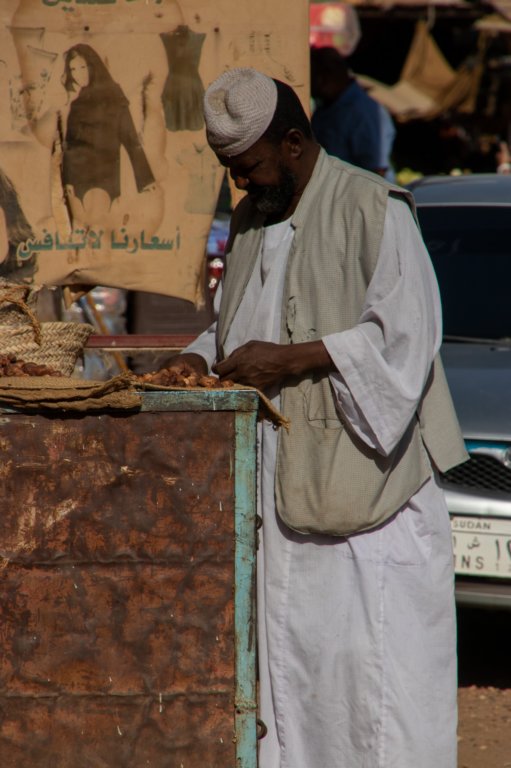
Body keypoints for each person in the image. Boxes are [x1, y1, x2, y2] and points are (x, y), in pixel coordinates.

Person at [166, 68, 467, 767]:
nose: (238, 184)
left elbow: (404, 337)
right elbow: (241, 331)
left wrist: (295, 359)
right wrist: (192, 359)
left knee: (376, 695)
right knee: (295, 688)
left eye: (247, 166)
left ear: (295, 143)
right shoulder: (251, 221)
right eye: (229, 171)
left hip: (372, 511)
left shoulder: (373, 207)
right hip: (285, 502)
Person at [60, 44, 155, 223]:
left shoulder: (114, 96)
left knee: (104, 227)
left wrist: (146, 180)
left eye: (82, 67)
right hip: (78, 177)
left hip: (106, 175)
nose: (78, 74)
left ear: (93, 65)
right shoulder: (76, 104)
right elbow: (69, 145)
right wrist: (68, 180)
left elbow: (130, 138)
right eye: (73, 69)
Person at [310, 45, 396, 179]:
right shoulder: (325, 107)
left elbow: (377, 173)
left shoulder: (364, 111)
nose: (312, 88)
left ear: (325, 77)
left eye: (314, 79)